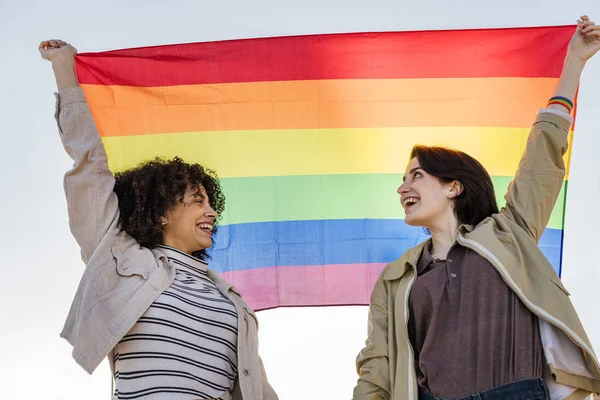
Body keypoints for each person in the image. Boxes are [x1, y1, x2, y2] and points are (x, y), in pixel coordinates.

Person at [353, 16, 600, 400]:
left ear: (453, 186)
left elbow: (542, 159)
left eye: (416, 175)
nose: (403, 187)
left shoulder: (509, 231)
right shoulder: (396, 277)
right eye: (403, 180)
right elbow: (377, 363)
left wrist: (574, 64)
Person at [40, 39, 278, 400]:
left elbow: (258, 389)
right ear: (163, 212)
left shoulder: (232, 302)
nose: (212, 212)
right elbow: (89, 168)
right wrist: (65, 72)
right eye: (198, 201)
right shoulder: (121, 259)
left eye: (212, 204)